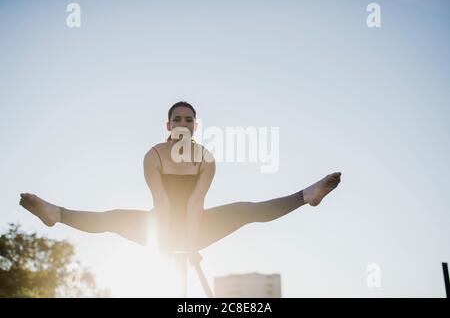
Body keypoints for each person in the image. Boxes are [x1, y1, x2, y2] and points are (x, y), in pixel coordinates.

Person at [19, 101, 342, 257]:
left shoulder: (205, 158)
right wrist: (168, 245)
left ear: (195, 127)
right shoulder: (154, 155)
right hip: (158, 227)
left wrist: (189, 243)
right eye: (177, 119)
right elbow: (159, 202)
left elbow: (196, 202)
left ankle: (306, 195)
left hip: (198, 224)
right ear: (168, 125)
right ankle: (56, 214)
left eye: (189, 119)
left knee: (245, 209)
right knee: (114, 218)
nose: (183, 123)